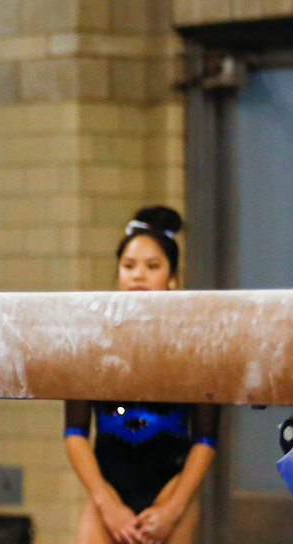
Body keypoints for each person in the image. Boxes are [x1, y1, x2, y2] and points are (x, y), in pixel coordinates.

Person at [63, 207, 217, 544]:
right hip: (110, 492)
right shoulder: (92, 341)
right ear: (118, 273)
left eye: (152, 266)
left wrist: (174, 509)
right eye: (129, 266)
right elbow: (74, 432)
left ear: (172, 277)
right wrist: (106, 504)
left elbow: (206, 438)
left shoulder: (194, 343)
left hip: (171, 492)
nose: (138, 276)